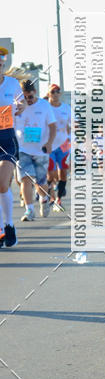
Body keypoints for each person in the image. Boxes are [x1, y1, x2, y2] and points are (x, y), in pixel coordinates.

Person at [15, 80, 56, 221]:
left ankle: (44, 198)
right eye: (25, 97)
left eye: (30, 97)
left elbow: (52, 126)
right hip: (22, 149)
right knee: (26, 179)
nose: (28, 100)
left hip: (41, 149)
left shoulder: (44, 106)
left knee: (40, 182)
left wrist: (50, 143)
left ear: (35, 93)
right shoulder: (16, 106)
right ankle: (29, 210)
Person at [0, 49, 23, 247]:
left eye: (2, 58)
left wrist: (21, 106)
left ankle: (8, 224)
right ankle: (0, 229)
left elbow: (21, 102)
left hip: (7, 137)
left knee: (2, 183)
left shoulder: (12, 84)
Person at [46, 83, 70, 211]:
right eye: (53, 91)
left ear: (60, 93)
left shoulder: (66, 108)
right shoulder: (45, 107)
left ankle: (58, 199)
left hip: (63, 144)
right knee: (51, 174)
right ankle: (51, 194)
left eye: (57, 91)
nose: (55, 94)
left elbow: (73, 124)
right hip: (49, 144)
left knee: (63, 173)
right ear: (48, 94)